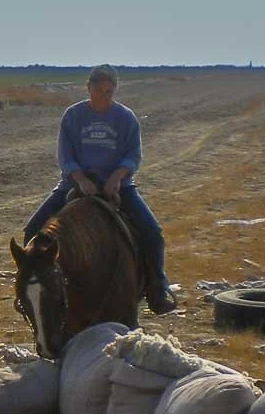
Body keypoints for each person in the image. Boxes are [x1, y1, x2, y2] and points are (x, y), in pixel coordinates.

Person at [22, 64, 176, 314]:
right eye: (98, 89)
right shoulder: (73, 116)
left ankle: (157, 288)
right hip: (75, 183)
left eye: (108, 91)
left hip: (118, 186)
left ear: (115, 90)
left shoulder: (125, 118)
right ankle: (31, 290)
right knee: (32, 229)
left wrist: (116, 177)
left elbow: (133, 155)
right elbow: (65, 155)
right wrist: (80, 179)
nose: (103, 95)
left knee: (152, 232)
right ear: (88, 87)